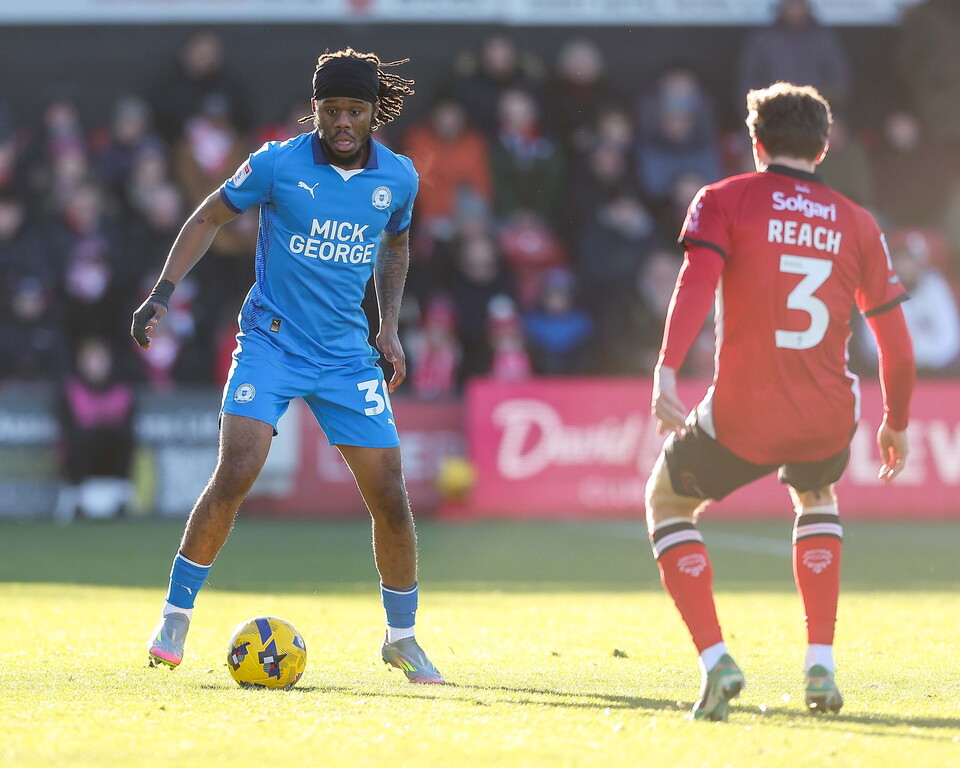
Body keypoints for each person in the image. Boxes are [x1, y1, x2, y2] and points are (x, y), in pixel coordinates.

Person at [131, 48, 445, 684]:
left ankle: (403, 636)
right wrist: (162, 292)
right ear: (316, 111)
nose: (341, 122)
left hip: (346, 354)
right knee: (238, 469)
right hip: (271, 344)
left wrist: (387, 327)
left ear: (372, 113)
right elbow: (208, 216)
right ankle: (175, 616)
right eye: (330, 110)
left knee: (390, 495)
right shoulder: (277, 163)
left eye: (354, 110)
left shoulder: (401, 178)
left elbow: (397, 246)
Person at [644, 83, 915, 721]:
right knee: (816, 497)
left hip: (742, 412)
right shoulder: (858, 222)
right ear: (824, 147)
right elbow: (897, 350)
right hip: (827, 414)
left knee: (667, 503)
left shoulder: (724, 199)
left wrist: (666, 369)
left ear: (756, 141)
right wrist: (895, 424)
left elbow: (695, 281)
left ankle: (717, 662)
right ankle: (820, 663)